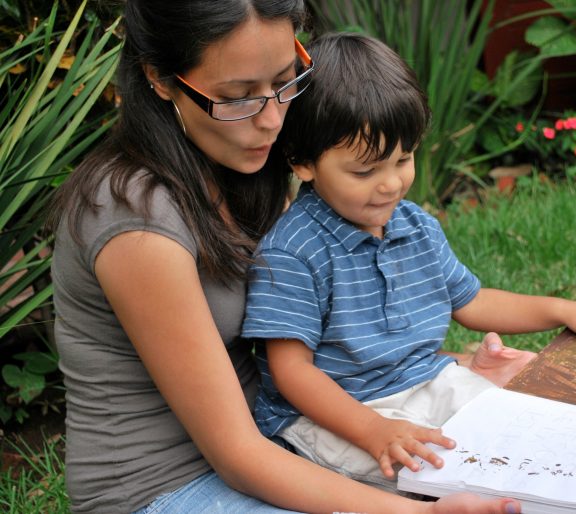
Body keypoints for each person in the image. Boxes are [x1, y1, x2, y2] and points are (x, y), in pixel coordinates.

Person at [242, 32, 576, 514]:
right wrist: (374, 430)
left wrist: (562, 309)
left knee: (559, 445)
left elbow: (470, 302)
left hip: (428, 384)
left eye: (404, 160)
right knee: (481, 484)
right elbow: (292, 373)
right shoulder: (294, 252)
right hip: (340, 414)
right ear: (303, 162)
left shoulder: (413, 225)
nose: (391, 185)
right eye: (365, 171)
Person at [48, 2, 522, 513]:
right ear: (161, 80)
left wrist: (439, 370)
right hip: (170, 488)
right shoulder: (135, 221)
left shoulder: (244, 165)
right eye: (238, 97)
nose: (273, 118)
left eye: (284, 80)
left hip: (279, 441)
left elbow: (325, 329)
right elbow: (237, 455)